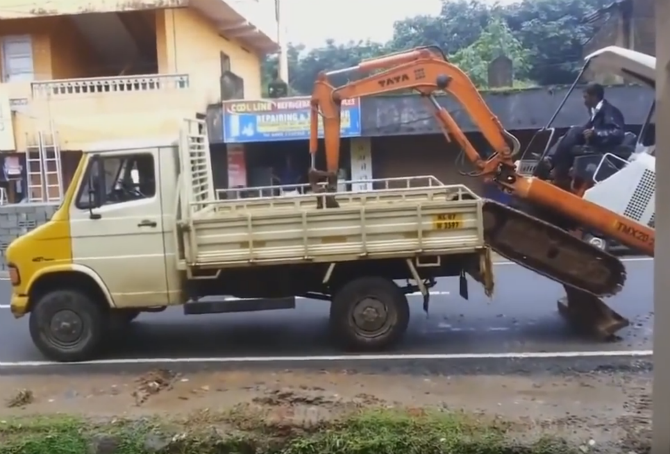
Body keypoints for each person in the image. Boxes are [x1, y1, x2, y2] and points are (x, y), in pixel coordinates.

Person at [543, 82, 625, 180]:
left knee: (574, 131)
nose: (584, 101)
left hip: (603, 146)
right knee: (565, 138)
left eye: (585, 97)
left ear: (594, 97)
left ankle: (555, 165)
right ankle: (552, 161)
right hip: (594, 143)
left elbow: (617, 132)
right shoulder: (595, 112)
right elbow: (586, 129)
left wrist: (596, 133)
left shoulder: (609, 111)